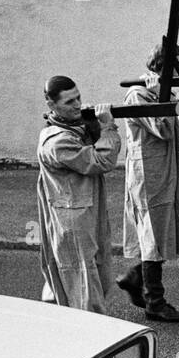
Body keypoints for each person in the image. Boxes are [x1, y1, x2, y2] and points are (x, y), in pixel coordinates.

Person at [116, 43, 179, 322]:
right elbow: (161, 128)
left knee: (159, 233)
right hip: (149, 175)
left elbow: (178, 128)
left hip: (165, 170)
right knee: (152, 234)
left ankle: (135, 278)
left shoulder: (162, 93)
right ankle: (155, 301)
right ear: (162, 66)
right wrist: (164, 95)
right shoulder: (138, 95)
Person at [36, 76, 121, 313]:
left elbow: (92, 143)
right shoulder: (57, 141)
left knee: (92, 272)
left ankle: (64, 321)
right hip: (73, 220)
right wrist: (107, 126)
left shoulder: (71, 127)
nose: (76, 105)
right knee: (83, 280)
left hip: (85, 210)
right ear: (51, 106)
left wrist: (94, 123)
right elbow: (103, 160)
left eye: (78, 98)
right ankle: (94, 338)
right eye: (69, 102)